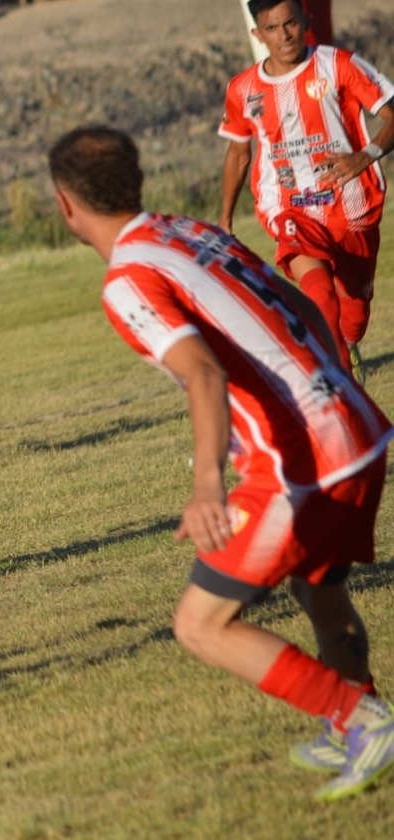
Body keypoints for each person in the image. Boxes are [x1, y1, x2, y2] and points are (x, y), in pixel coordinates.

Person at [51, 124, 394, 803]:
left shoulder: (128, 279)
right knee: (320, 591)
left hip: (304, 463)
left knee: (201, 623)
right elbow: (299, 302)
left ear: (66, 204)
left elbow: (202, 375)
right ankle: (350, 717)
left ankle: (364, 718)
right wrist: (330, 386)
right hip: (359, 431)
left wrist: (207, 483)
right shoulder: (192, 231)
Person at [218, 0, 394, 383]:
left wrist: (364, 157)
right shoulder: (243, 88)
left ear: (306, 21)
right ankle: (343, 388)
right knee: (319, 295)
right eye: (272, 28)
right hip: (289, 207)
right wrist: (224, 219)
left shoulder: (339, 65)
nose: (284, 36)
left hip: (351, 207)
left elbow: (392, 115)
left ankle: (347, 341)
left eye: (291, 24)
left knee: (355, 312)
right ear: (257, 34)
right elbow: (238, 153)